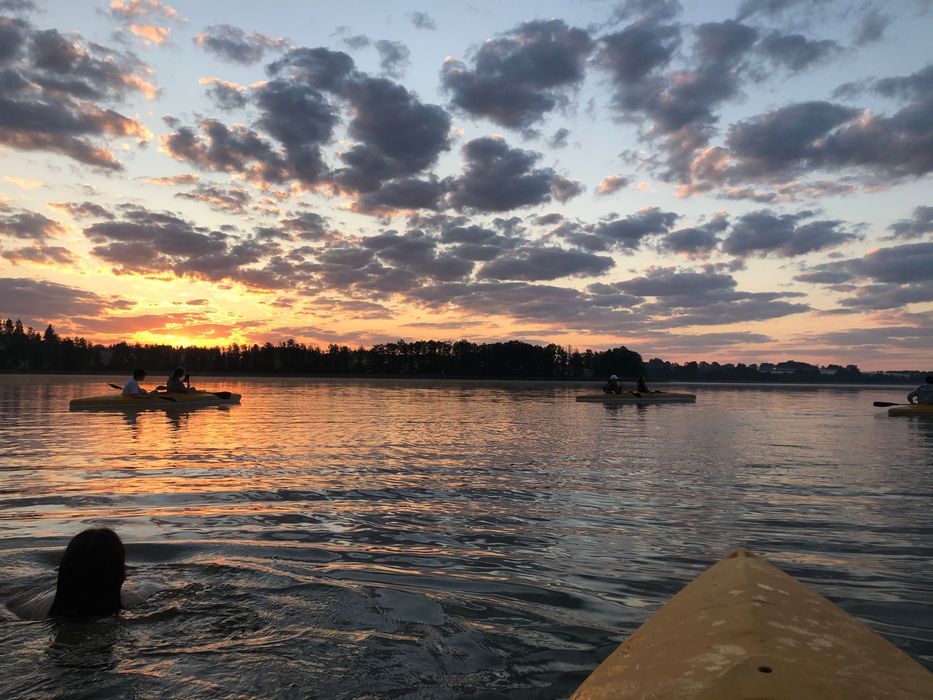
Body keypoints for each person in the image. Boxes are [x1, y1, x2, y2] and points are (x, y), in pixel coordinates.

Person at [6, 528, 158, 620]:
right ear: (121, 575)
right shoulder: (132, 599)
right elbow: (154, 586)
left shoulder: (24, 607)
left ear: (63, 571)